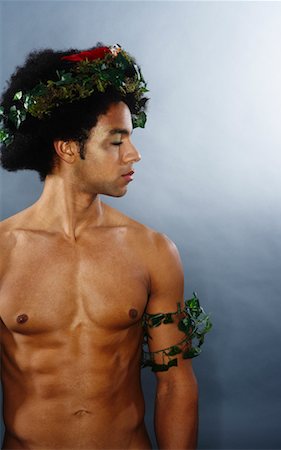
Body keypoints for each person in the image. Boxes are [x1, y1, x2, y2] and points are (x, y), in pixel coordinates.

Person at [0, 42, 212, 450]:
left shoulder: (152, 250)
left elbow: (175, 384)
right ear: (66, 148)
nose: (133, 154)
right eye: (116, 141)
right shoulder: (4, 252)